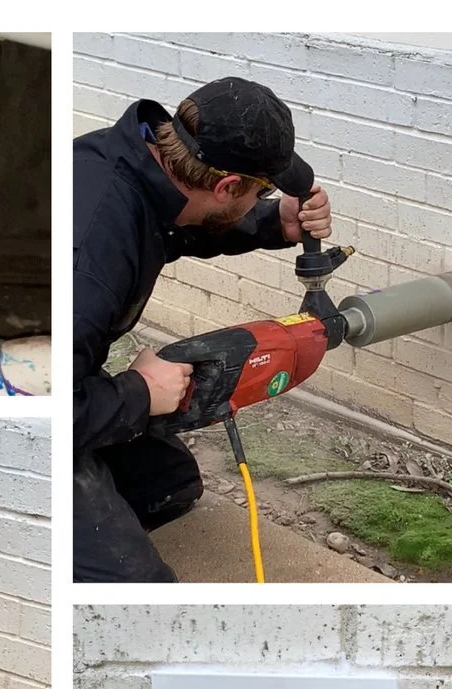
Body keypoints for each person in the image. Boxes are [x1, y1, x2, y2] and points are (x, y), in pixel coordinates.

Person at [73, 77, 334, 581]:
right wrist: (139, 393)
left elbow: (185, 225)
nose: (266, 194)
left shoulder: (139, 168)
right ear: (226, 185)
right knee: (140, 589)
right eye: (261, 189)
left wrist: (273, 222)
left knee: (167, 486)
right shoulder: (91, 257)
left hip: (62, 373)